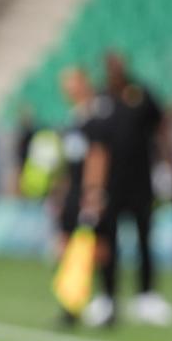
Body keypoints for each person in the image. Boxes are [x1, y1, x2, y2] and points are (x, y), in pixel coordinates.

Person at [80, 50, 172, 328]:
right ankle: (107, 297)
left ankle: (147, 296)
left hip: (140, 182)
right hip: (110, 185)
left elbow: (162, 127)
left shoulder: (141, 94)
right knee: (107, 242)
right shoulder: (101, 100)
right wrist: (93, 187)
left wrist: (168, 165)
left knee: (144, 239)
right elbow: (95, 146)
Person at [49, 66, 99, 325]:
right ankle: (71, 302)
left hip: (88, 191)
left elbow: (96, 156)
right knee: (67, 245)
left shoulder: (95, 114)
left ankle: (96, 299)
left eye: (72, 83)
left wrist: (92, 191)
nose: (68, 89)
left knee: (92, 246)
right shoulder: (73, 117)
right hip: (73, 189)